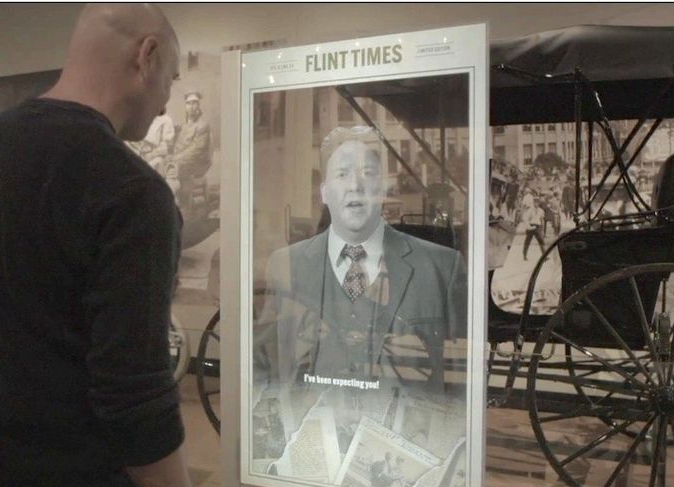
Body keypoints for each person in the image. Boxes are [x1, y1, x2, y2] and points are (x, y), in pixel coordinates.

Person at [0, 5, 200, 487]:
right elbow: (134, 399)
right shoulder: (132, 192)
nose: (167, 101)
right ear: (147, 56)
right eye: (172, 77)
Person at [258, 126, 467, 391]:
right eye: (342, 174)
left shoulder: (442, 269)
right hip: (312, 417)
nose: (355, 186)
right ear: (324, 192)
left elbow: (462, 380)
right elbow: (263, 363)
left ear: (383, 186)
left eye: (367, 173)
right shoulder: (285, 266)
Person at [168, 91, 212, 210]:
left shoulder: (203, 125)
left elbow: (197, 149)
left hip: (197, 161)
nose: (191, 106)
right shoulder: (183, 126)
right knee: (161, 163)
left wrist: (175, 158)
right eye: (188, 103)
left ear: (198, 105)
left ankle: (176, 203)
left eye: (194, 103)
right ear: (185, 106)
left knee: (173, 169)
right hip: (179, 160)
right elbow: (176, 145)